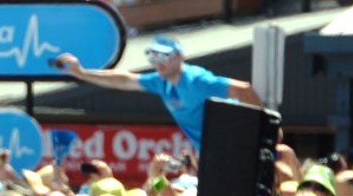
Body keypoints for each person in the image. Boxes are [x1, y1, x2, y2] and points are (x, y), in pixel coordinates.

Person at [56, 35, 261, 158]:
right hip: (212, 152)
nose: (158, 62)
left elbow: (243, 89)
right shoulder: (160, 82)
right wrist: (81, 73)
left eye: (164, 55)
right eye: (153, 55)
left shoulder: (195, 80)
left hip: (236, 147)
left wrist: (265, 132)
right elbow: (124, 80)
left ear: (179, 57)